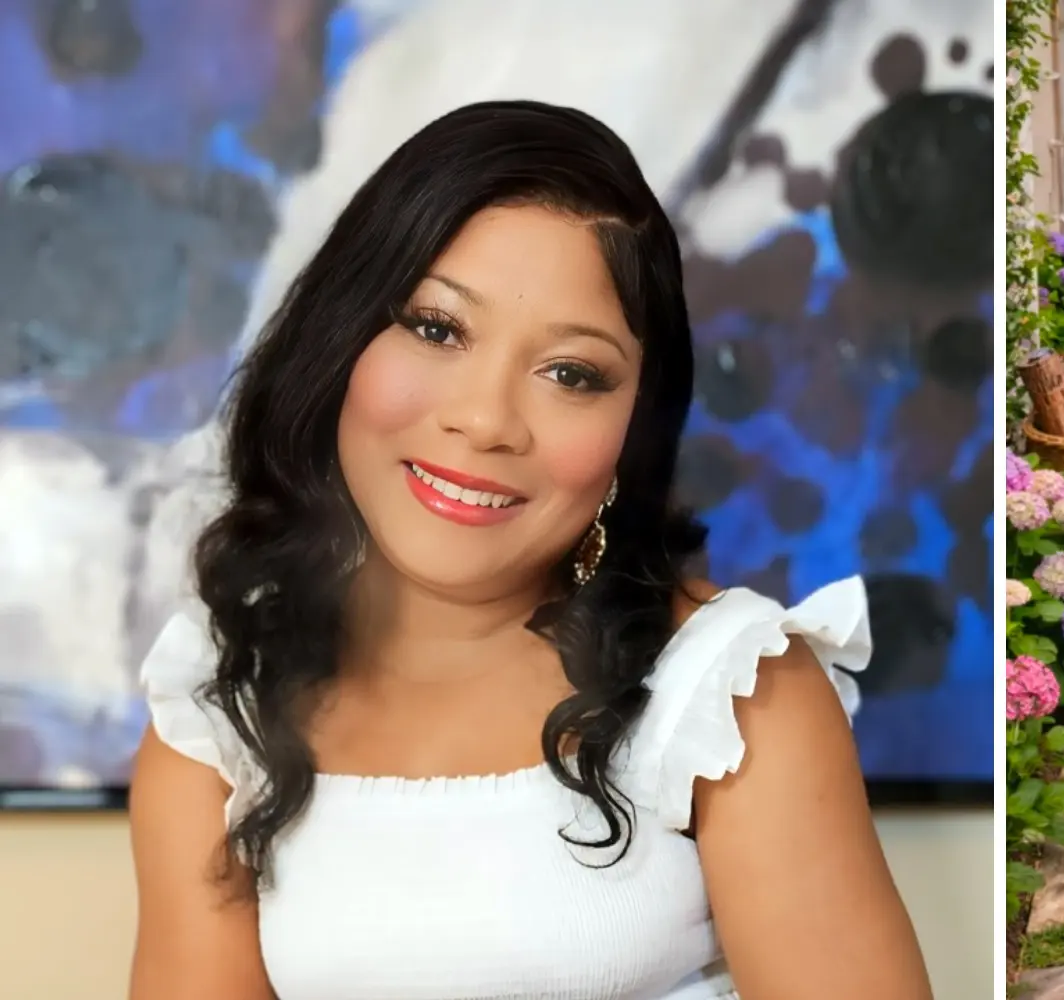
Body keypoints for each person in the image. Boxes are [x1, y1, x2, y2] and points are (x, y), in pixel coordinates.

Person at [126, 101, 931, 1000]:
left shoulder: (730, 692)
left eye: (571, 374)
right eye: (438, 329)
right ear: (340, 339)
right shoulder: (217, 715)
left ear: (634, 426)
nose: (484, 420)